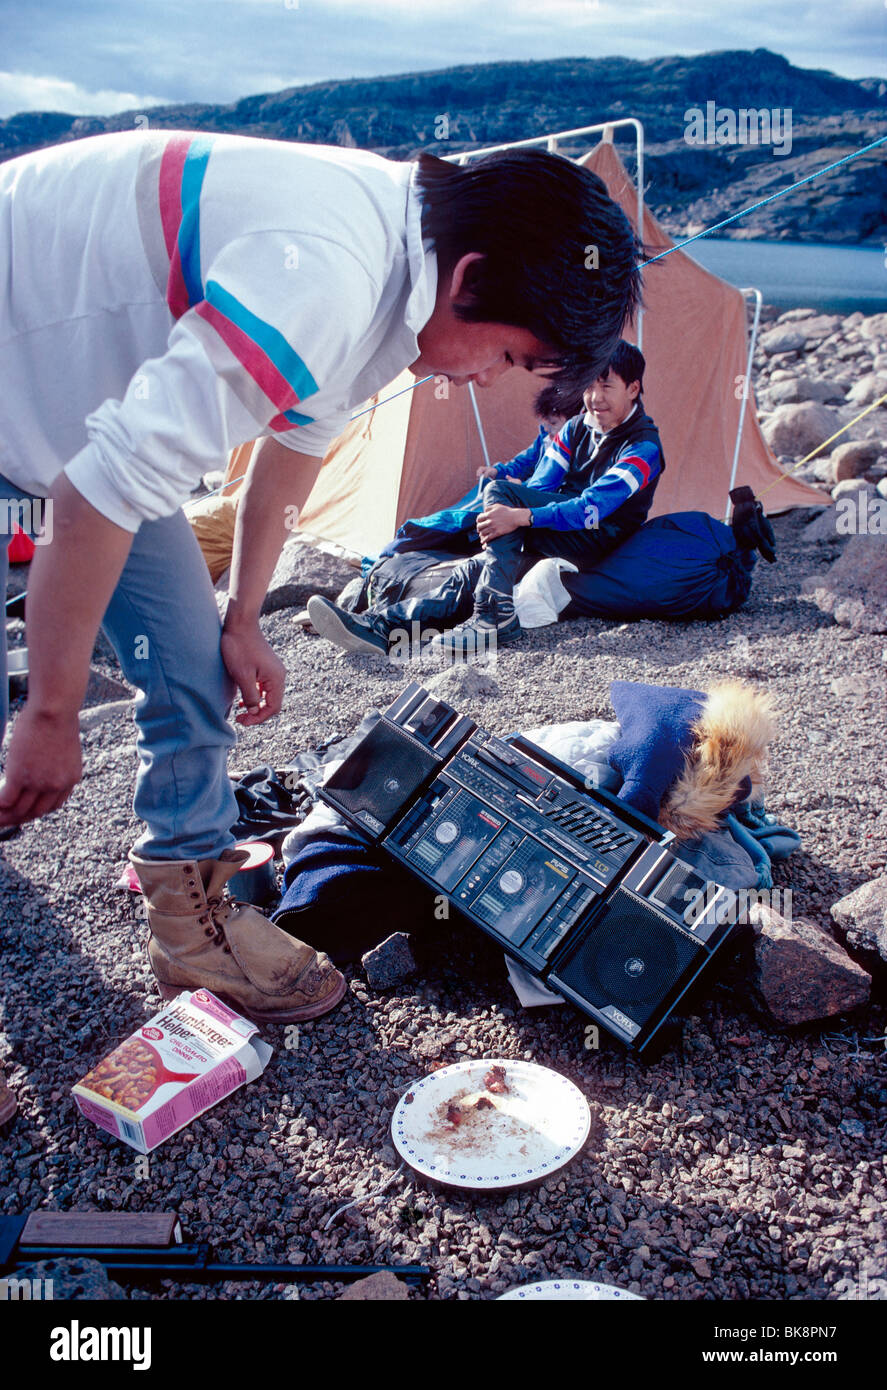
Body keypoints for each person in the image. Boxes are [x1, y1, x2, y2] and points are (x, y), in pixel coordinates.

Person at [0, 130, 641, 1023]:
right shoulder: (328, 274)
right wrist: (52, 712)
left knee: (193, 673)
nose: (486, 378)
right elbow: (95, 499)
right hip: (43, 414)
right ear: (471, 279)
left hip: (91, 436)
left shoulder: (399, 274)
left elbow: (292, 447)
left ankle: (191, 928)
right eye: (506, 356)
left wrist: (244, 616)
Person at [308, 341, 663, 660]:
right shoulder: (576, 428)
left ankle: (493, 616)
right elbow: (541, 482)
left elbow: (591, 510)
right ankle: (382, 627)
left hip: (597, 538)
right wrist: (511, 518)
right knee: (474, 569)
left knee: (500, 495)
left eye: (606, 385)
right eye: (588, 385)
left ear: (633, 389)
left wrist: (521, 517)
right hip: (557, 528)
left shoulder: (642, 448)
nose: (594, 397)